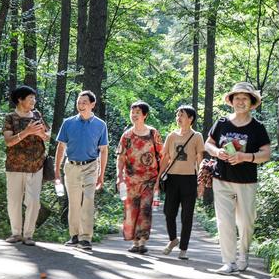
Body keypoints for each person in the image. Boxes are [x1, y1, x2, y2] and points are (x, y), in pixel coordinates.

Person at [204, 82, 271, 274]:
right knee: (224, 221)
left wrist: (245, 157)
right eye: (237, 98)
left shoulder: (257, 127)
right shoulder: (222, 123)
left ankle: (244, 254)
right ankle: (229, 262)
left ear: (251, 102)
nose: (241, 102)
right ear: (231, 101)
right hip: (221, 178)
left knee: (246, 222)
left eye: (245, 98)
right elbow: (208, 143)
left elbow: (266, 154)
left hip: (246, 181)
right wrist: (217, 152)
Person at [55, 90, 109, 250]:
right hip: (71, 167)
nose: (81, 105)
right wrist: (56, 170)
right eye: (79, 102)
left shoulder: (100, 125)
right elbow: (61, 146)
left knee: (88, 201)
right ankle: (74, 236)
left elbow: (104, 150)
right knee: (73, 203)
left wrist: (102, 174)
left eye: (84, 102)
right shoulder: (68, 123)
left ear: (92, 104)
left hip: (91, 167)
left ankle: (86, 238)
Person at [2, 85, 50, 246]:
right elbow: (9, 142)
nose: (33, 101)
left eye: (34, 98)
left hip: (36, 165)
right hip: (15, 165)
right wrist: (27, 132)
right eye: (30, 98)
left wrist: (41, 133)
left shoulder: (37, 115)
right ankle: (16, 234)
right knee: (14, 200)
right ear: (20, 100)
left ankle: (28, 235)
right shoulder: (10, 117)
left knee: (34, 201)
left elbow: (47, 136)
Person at [156, 105, 204, 260]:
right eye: (177, 115)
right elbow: (165, 158)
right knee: (168, 212)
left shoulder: (197, 136)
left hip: (189, 179)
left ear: (190, 119)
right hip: (172, 178)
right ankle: (173, 240)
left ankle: (183, 248)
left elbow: (199, 160)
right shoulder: (171, 136)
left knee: (187, 215)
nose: (179, 117)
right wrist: (158, 177)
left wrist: (200, 181)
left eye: (182, 115)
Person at [116, 101, 163, 254]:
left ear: (145, 115)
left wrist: (159, 178)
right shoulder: (127, 135)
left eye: (137, 112)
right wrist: (119, 177)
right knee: (131, 210)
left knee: (146, 209)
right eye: (132, 112)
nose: (134, 115)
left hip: (150, 178)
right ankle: (134, 242)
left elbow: (162, 156)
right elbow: (121, 157)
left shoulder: (153, 133)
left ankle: (142, 242)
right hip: (130, 179)